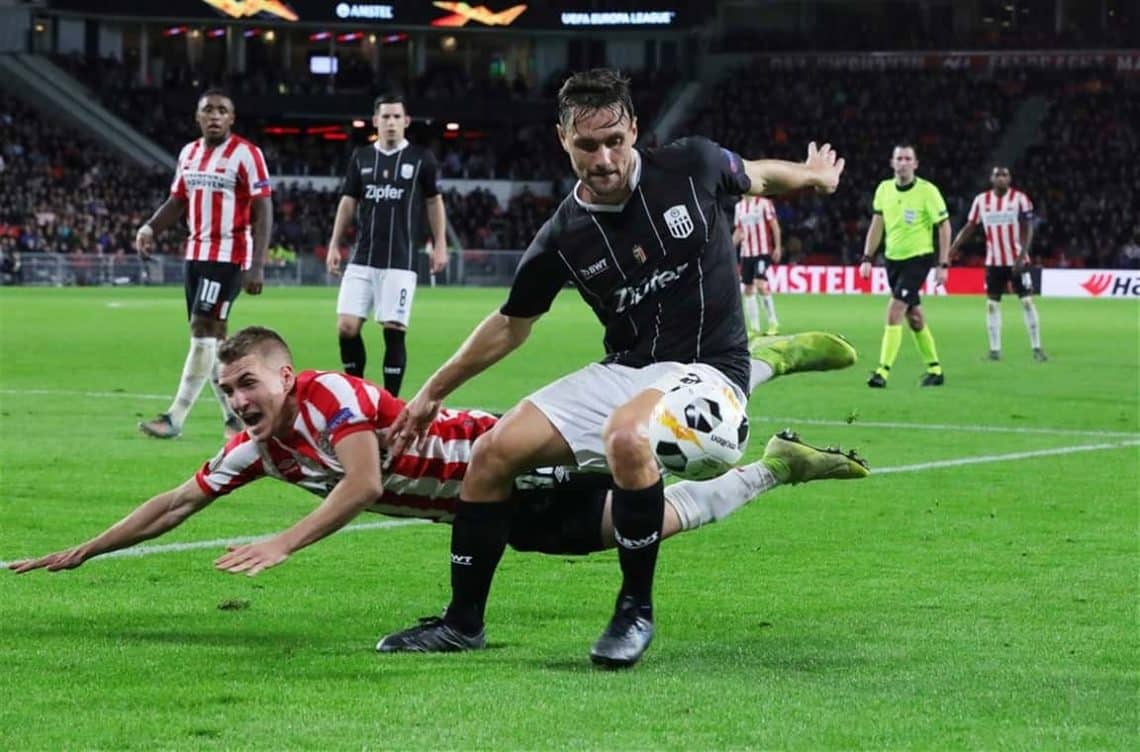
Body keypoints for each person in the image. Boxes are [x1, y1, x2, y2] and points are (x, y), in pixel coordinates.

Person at [379, 69, 846, 668]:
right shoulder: (562, 238)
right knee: (493, 451)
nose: (604, 159)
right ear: (562, 139)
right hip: (630, 367)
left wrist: (811, 176)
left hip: (712, 368)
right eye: (586, 145)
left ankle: (635, 609)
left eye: (614, 141)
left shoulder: (693, 167)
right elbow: (511, 323)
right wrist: (429, 395)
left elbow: (756, 175)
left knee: (628, 433)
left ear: (633, 129)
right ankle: (461, 623)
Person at [8, 326, 868, 591]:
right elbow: (175, 502)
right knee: (630, 529)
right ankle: (776, 471)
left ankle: (755, 361)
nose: (237, 400)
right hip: (496, 510)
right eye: (228, 392)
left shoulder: (330, 398)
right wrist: (85, 547)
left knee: (671, 444)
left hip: (516, 454)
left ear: (282, 371)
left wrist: (284, 543)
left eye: (246, 383)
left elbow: (366, 481)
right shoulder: (254, 449)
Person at [136, 89, 273, 439]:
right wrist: (151, 227)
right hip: (195, 256)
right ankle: (235, 418)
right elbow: (178, 199)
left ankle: (175, 418)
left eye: (222, 111)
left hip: (227, 257)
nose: (214, 116)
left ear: (231, 118)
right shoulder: (189, 153)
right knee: (213, 340)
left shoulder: (246, 154)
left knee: (201, 332)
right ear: (198, 117)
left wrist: (257, 265)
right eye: (208, 110)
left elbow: (263, 209)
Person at [325, 93, 448, 397]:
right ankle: (356, 394)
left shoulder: (421, 159)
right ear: (375, 121)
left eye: (396, 117)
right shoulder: (361, 157)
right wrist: (334, 243)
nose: (391, 122)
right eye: (385, 117)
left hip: (401, 261)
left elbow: (434, 202)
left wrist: (440, 243)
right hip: (363, 258)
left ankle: (389, 404)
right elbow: (348, 201)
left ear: (406, 122)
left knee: (393, 329)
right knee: (346, 328)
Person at [859, 144, 950, 389]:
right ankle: (935, 369)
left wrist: (943, 263)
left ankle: (882, 372)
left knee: (895, 310)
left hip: (919, 258)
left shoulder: (927, 191)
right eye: (899, 158)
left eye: (908, 158)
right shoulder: (884, 190)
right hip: (893, 260)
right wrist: (867, 257)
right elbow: (876, 225)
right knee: (915, 316)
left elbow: (944, 226)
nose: (903, 162)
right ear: (892, 163)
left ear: (915, 164)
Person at [948, 166, 1046, 361]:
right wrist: (954, 247)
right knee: (992, 305)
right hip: (994, 262)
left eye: (1005, 175)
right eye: (997, 175)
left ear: (1009, 179)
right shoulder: (981, 201)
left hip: (1018, 261)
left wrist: (1022, 256)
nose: (1001, 178)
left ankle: (1037, 348)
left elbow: (1028, 229)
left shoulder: (1020, 199)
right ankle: (994, 350)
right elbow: (970, 226)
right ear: (991, 179)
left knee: (1027, 302)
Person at [733, 194, 782, 335]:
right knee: (748, 289)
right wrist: (728, 248)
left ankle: (774, 323)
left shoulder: (764, 203)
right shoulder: (739, 207)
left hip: (763, 251)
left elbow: (774, 226)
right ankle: (754, 328)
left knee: (760, 284)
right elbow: (739, 230)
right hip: (746, 253)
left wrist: (778, 247)